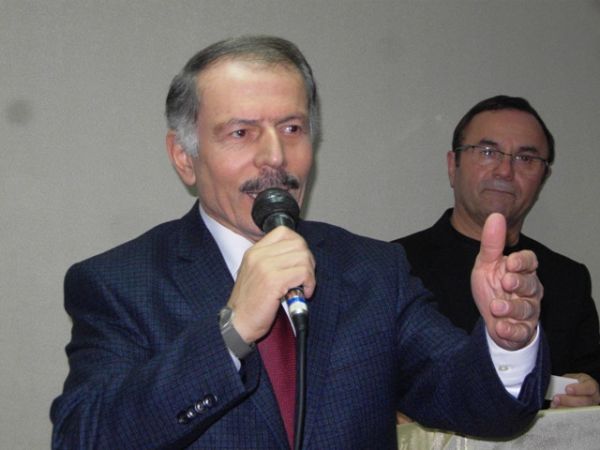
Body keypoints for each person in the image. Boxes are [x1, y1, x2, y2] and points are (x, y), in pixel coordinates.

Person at [51, 37, 549, 449]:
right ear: (185, 157)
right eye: (241, 132)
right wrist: (231, 333)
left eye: (292, 128)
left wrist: (508, 341)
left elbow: (483, 408)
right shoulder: (119, 283)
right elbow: (83, 437)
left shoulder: (374, 270)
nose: (275, 157)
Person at [394, 95, 600, 411]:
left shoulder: (569, 279)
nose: (505, 171)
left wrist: (589, 393)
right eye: (488, 152)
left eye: (526, 158)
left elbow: (592, 378)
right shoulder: (393, 267)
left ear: (543, 178)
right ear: (452, 166)